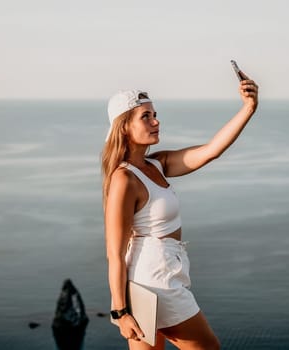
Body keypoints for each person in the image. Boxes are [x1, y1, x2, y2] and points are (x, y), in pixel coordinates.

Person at [101, 71, 258, 350]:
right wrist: (120, 312)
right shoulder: (124, 179)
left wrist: (248, 108)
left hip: (156, 277)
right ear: (123, 126)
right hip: (155, 281)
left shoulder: (157, 164)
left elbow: (211, 150)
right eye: (145, 117)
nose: (156, 121)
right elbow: (114, 252)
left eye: (155, 114)